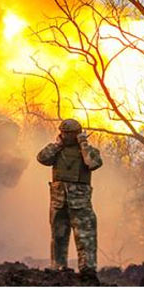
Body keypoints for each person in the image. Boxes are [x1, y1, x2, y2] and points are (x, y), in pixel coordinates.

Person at [37, 118, 102, 279]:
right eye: (63, 133)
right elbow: (42, 158)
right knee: (58, 236)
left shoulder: (88, 151)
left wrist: (83, 144)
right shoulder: (56, 150)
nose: (65, 136)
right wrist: (58, 145)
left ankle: (88, 270)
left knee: (86, 237)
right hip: (59, 201)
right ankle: (58, 267)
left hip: (80, 203)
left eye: (69, 133)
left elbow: (93, 163)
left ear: (77, 134)